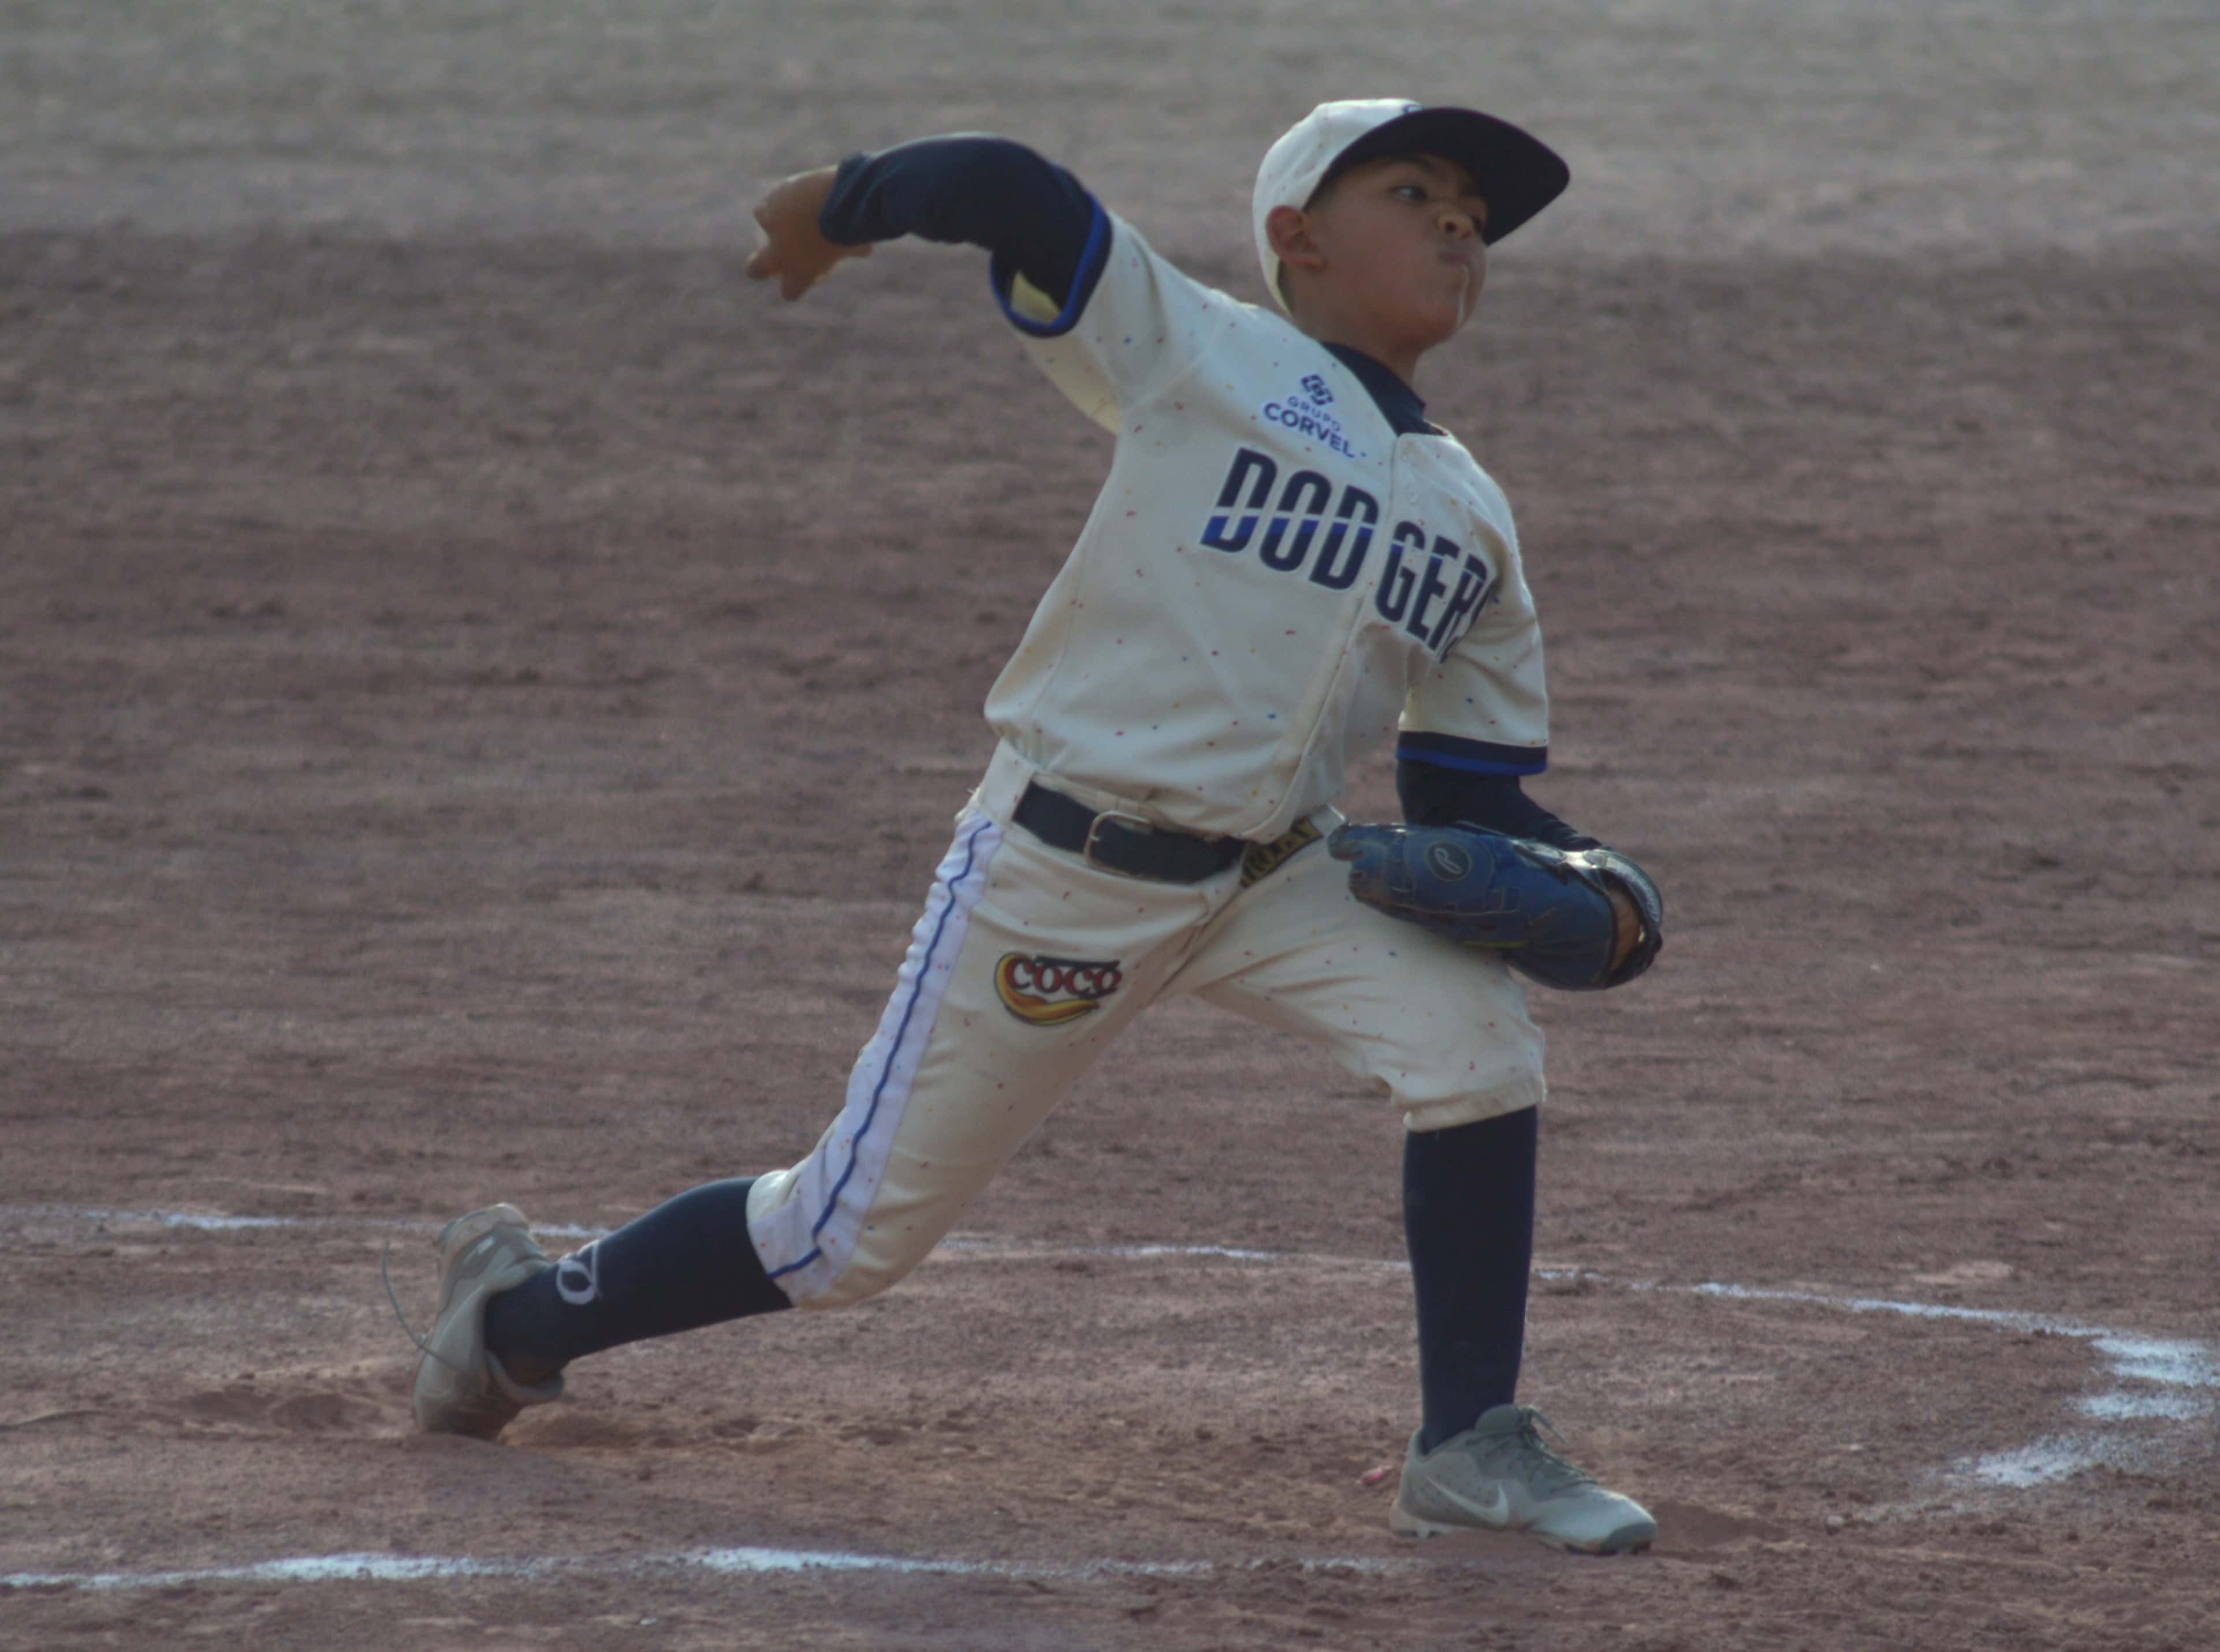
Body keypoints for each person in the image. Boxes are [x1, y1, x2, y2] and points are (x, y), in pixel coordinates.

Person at [405, 99, 1661, 1555]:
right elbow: (1008, 187)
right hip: (1065, 867)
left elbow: (1468, 806)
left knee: (1475, 1040)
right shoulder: (1200, 350)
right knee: (838, 1238)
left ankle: (1467, 1447)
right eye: (1415, 188)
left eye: (1475, 212)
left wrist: (1585, 885)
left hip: (1272, 876)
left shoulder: (1471, 514)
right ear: (1294, 237)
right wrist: (849, 203)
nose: (1460, 222)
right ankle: (509, 1320)